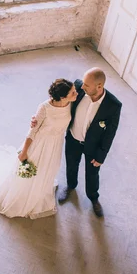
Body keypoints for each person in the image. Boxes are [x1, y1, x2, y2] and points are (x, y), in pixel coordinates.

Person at [0, 79, 77, 219]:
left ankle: (41, 190)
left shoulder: (71, 102)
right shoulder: (44, 108)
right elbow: (32, 131)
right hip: (40, 144)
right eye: (73, 92)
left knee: (49, 168)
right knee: (31, 172)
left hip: (56, 144)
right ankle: (26, 196)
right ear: (62, 97)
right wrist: (24, 152)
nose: (76, 93)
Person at [32, 68, 122, 217]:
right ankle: (70, 186)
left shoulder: (113, 105)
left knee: (92, 173)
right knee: (71, 165)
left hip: (93, 146)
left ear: (99, 87)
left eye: (87, 85)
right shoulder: (78, 90)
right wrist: (38, 118)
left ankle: (93, 198)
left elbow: (110, 133)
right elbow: (57, 101)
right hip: (73, 139)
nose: (82, 87)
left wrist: (101, 155)